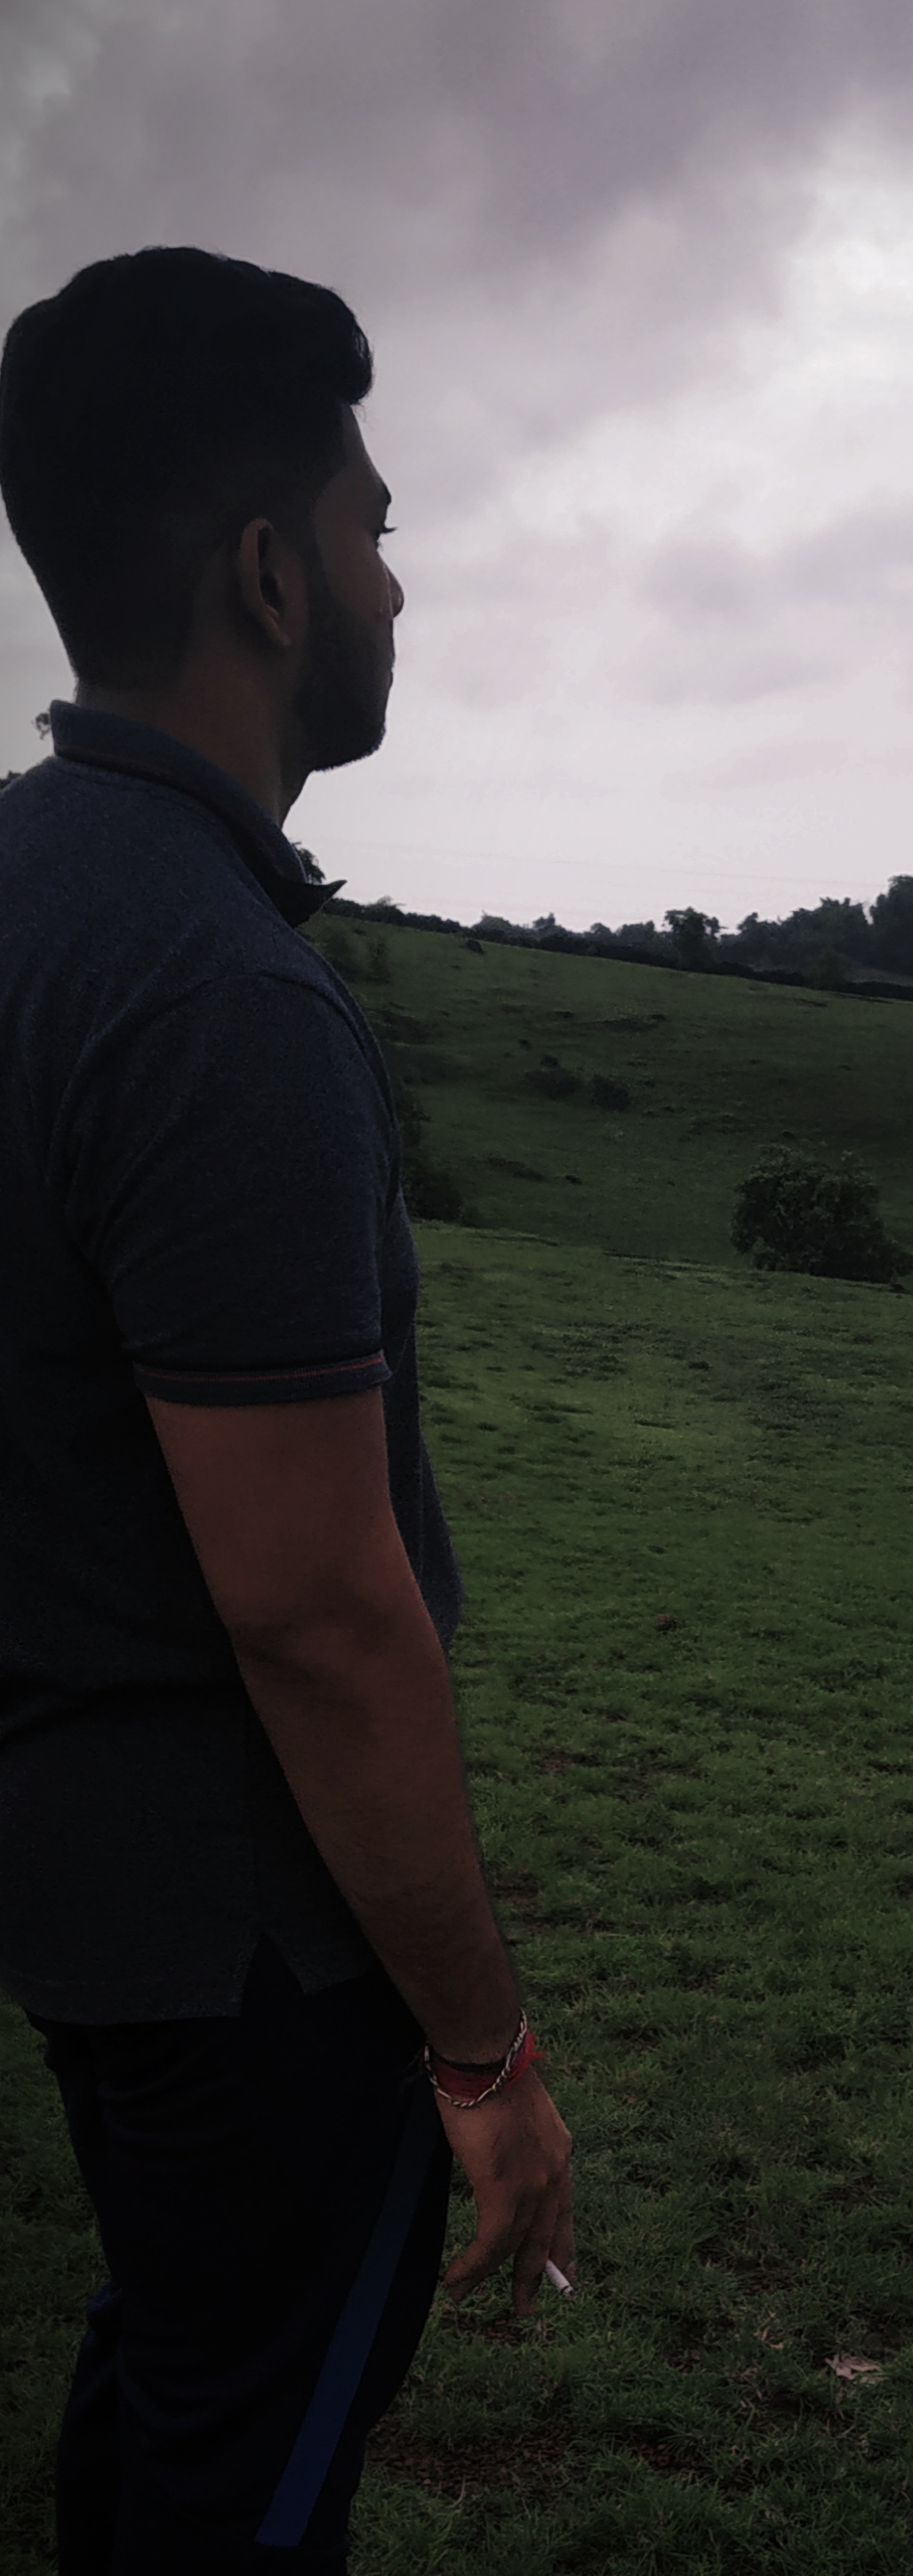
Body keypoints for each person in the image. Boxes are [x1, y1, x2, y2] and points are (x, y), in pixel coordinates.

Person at [0, 247, 574, 2573]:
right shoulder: (220, 991)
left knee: (181, 2373)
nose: (395, 586)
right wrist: (483, 2055)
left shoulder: (29, 887)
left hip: (86, 1894)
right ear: (267, 573)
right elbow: (320, 1614)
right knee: (247, 2474)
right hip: (263, 1951)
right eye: (373, 529)